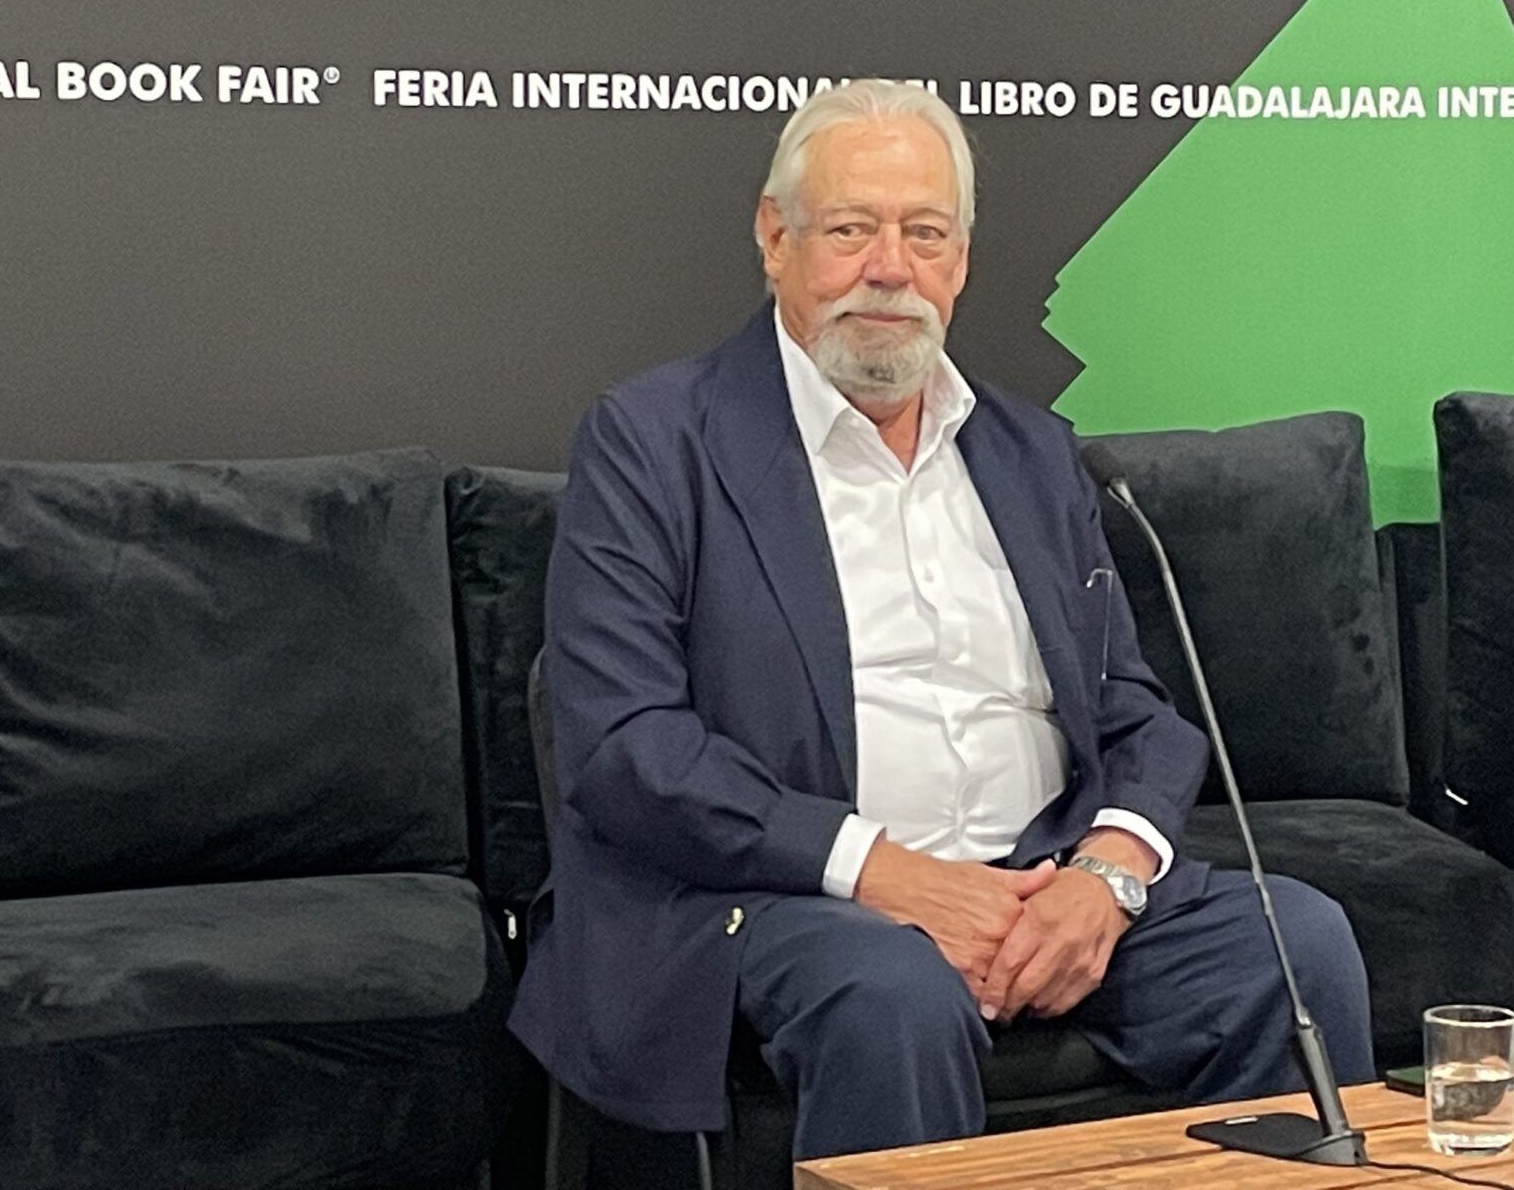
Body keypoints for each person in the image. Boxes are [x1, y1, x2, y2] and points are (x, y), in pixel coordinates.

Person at [508, 79, 1373, 1161]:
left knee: (1295, 944)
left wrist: (1106, 876)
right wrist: (896, 877)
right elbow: (627, 747)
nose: (890, 267)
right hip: (780, 897)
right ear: (775, 238)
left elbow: (1137, 715)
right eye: (851, 230)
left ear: (959, 260)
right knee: (892, 993)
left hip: (1040, 880)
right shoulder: (654, 442)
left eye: (925, 233)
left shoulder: (1032, 452)